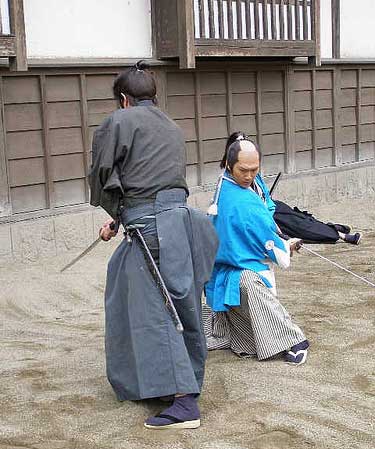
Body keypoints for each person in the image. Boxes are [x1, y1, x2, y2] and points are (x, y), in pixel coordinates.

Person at [89, 61, 218, 429]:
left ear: (124, 100)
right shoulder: (172, 126)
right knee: (180, 302)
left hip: (151, 228)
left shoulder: (118, 122)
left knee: (155, 310)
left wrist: (118, 212)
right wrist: (120, 219)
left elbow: (103, 174)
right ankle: (179, 382)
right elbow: (154, 182)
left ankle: (184, 402)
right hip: (179, 222)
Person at [204, 137, 309, 365]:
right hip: (231, 266)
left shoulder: (231, 184)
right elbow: (269, 245)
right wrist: (285, 247)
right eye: (244, 170)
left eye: (255, 170)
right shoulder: (233, 194)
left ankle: (290, 338)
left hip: (239, 264)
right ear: (229, 165)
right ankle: (282, 337)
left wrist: (281, 239)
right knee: (246, 284)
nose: (249, 176)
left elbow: (263, 224)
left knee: (246, 283)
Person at [216, 132, 362, 246]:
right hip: (266, 217)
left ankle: (333, 227)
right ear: (231, 160)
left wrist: (269, 203)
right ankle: (339, 234)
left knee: (302, 218)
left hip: (272, 207)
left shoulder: (253, 170)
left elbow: (265, 194)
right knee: (306, 230)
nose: (249, 175)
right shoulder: (228, 185)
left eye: (253, 169)